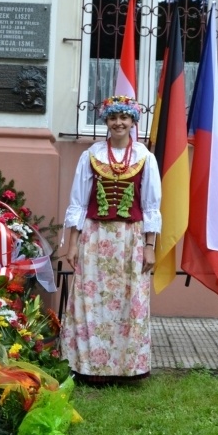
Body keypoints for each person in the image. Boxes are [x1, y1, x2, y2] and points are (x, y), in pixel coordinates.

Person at [60, 95, 162, 385]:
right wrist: (72, 245)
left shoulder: (145, 157)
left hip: (131, 239)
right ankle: (89, 366)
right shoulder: (91, 155)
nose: (119, 123)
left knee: (130, 298)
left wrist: (150, 246)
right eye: (113, 118)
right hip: (95, 236)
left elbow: (151, 206)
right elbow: (79, 202)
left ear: (133, 121)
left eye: (124, 118)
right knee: (91, 299)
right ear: (106, 121)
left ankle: (127, 368)